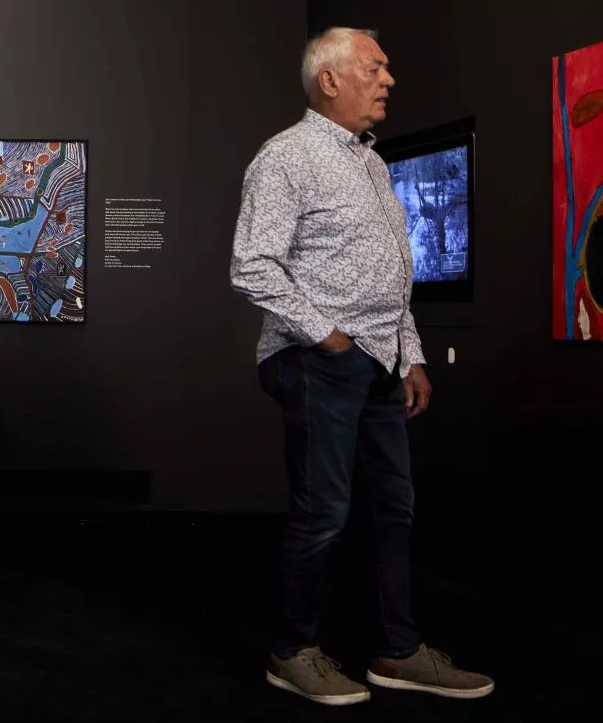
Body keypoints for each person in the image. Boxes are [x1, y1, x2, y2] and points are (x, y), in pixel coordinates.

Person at [230, 27, 493, 706]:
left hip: (382, 361)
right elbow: (252, 265)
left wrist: (412, 355)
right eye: (375, 68)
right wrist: (328, 336)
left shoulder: (372, 163)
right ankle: (292, 652)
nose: (389, 80)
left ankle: (399, 652)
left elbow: (392, 275)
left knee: (396, 506)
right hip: (317, 359)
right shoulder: (286, 157)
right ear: (330, 80)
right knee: (324, 511)